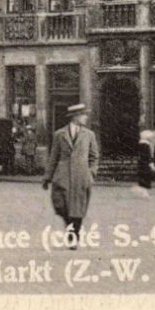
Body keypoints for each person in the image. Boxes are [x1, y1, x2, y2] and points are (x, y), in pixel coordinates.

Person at [43, 104, 99, 245]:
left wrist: (91, 173)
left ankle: (74, 235)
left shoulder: (89, 135)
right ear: (76, 116)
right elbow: (53, 157)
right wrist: (47, 177)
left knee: (79, 208)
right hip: (63, 176)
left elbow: (94, 157)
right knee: (61, 206)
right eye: (83, 115)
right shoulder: (59, 134)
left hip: (81, 176)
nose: (86, 117)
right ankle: (70, 227)